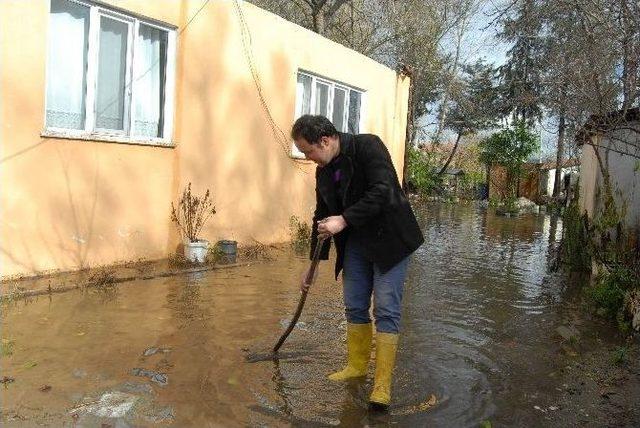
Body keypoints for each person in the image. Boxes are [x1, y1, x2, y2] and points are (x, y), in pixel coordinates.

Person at [290, 115, 424, 410]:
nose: (308, 158)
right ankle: (357, 367)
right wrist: (311, 267)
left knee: (386, 310)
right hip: (356, 244)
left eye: (307, 151)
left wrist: (345, 219)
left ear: (324, 141)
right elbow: (321, 217)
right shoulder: (324, 172)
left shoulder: (367, 147)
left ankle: (382, 386)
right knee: (354, 305)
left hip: (391, 241)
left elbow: (384, 190)